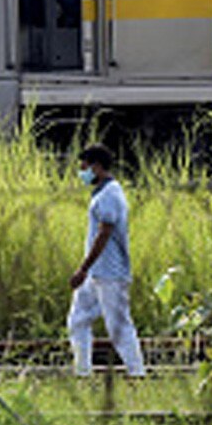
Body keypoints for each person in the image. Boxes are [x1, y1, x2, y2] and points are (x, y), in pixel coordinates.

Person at [67, 143, 146, 377]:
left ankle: (137, 374)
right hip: (96, 274)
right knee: (77, 320)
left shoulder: (110, 194)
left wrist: (82, 268)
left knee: (119, 327)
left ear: (97, 166)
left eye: (84, 167)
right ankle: (82, 372)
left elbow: (104, 232)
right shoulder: (103, 192)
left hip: (110, 273)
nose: (82, 173)